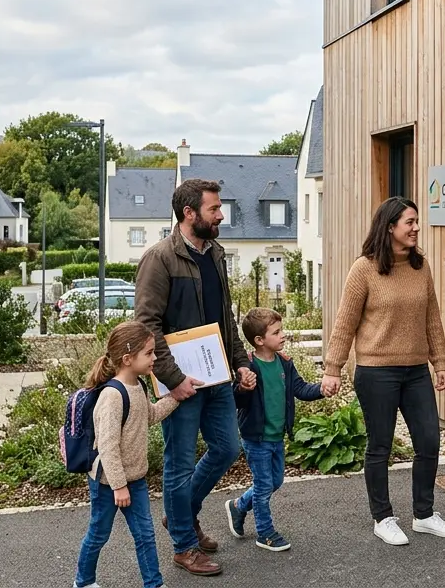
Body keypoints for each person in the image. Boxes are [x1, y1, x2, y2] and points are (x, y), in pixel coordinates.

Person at [321, 196, 445, 546]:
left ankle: (424, 515)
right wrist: (332, 368)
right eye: (409, 222)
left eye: (416, 221)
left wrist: (439, 361)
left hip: (416, 371)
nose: (416, 228)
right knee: (380, 446)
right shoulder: (364, 269)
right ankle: (382, 517)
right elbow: (344, 324)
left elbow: (432, 317)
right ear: (389, 227)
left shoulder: (419, 267)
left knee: (429, 441)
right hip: (375, 371)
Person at [135, 178, 256, 577]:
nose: (221, 214)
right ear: (190, 213)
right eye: (214, 209)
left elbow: (226, 319)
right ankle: (184, 545)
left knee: (226, 448)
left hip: (218, 377)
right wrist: (173, 378)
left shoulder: (216, 254)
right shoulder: (160, 258)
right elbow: (146, 326)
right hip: (181, 384)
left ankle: (181, 514)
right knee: (179, 464)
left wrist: (241, 362)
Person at [74, 321, 185, 588]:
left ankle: (154, 583)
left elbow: (151, 415)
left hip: (135, 479)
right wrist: (119, 485)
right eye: (149, 353)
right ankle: (83, 581)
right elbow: (108, 447)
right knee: (99, 534)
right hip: (108, 483)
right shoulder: (112, 395)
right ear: (127, 358)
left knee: (145, 535)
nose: (155, 358)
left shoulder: (139, 387)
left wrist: (177, 396)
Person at [226, 307, 325, 551]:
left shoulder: (284, 363)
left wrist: (322, 389)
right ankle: (265, 533)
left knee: (275, 481)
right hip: (255, 437)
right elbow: (237, 401)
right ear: (259, 340)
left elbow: (300, 389)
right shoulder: (248, 367)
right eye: (277, 332)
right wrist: (244, 388)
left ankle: (238, 506)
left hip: (276, 436)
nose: (283, 336)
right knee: (262, 486)